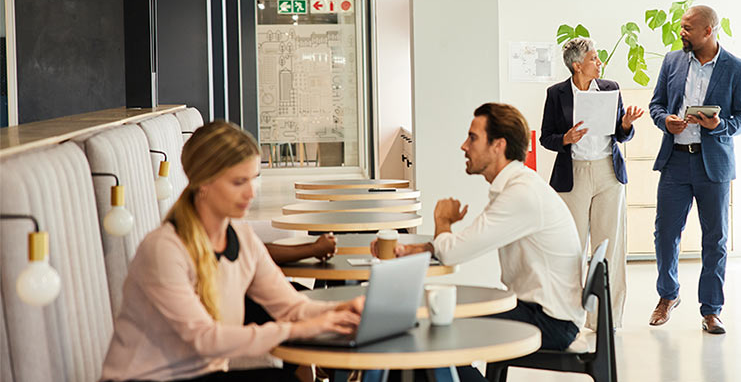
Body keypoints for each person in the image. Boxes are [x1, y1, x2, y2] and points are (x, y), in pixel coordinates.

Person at [101, 121, 364, 382]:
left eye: (253, 179)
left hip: (204, 374)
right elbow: (205, 339)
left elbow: (291, 307)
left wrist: (343, 309)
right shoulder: (164, 249)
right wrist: (297, 330)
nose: (251, 192)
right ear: (204, 183)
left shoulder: (242, 238)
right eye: (239, 181)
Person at [393, 103, 585, 382]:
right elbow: (464, 242)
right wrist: (428, 247)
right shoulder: (518, 186)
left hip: (550, 322)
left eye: (473, 137)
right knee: (432, 328)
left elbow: (454, 252)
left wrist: (442, 223)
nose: (463, 146)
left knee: (434, 334)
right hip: (540, 310)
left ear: (498, 145)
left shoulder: (521, 194)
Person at [647, 4, 741, 334]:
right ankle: (667, 296)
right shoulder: (672, 61)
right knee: (665, 234)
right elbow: (656, 104)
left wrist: (719, 125)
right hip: (675, 161)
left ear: (709, 31)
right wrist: (666, 120)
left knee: (716, 240)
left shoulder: (737, 68)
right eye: (681, 26)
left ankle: (711, 310)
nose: (682, 32)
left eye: (688, 28)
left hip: (714, 166)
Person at [541, 36, 644, 329]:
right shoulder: (556, 93)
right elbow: (545, 137)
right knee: (571, 248)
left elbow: (621, 135)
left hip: (608, 174)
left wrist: (626, 124)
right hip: (573, 175)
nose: (600, 63)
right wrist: (565, 138)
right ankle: (568, 318)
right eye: (593, 59)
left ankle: (605, 321)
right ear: (577, 65)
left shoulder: (610, 88)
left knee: (609, 247)